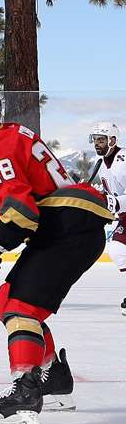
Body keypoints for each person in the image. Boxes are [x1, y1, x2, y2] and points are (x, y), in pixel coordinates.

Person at [0, 86, 111, 424]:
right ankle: (53, 376)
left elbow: (22, 213)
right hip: (70, 225)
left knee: (19, 307)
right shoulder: (10, 135)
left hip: (66, 229)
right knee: (9, 301)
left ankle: (25, 389)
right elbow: (23, 189)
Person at [88, 122, 126, 315]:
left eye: (101, 140)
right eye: (95, 140)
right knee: (119, 251)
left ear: (112, 140)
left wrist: (115, 203)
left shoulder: (123, 161)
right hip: (124, 216)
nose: (97, 144)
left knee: (119, 250)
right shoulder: (103, 163)